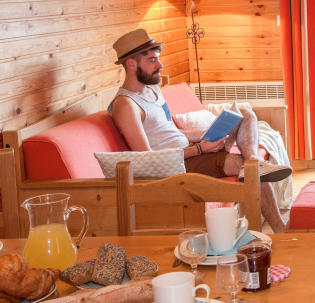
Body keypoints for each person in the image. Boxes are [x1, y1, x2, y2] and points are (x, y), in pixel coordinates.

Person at [107, 28, 291, 232]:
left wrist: (207, 134)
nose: (160, 65)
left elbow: (171, 133)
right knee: (250, 170)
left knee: (246, 114)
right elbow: (148, 157)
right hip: (177, 166)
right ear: (131, 64)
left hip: (191, 149)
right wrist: (199, 149)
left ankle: (254, 160)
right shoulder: (126, 105)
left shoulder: (153, 91)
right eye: (152, 60)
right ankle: (280, 228)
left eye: (158, 58)